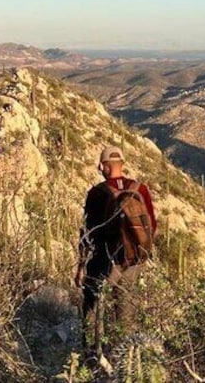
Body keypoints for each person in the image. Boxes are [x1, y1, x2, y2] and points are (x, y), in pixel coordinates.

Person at [75, 145, 157, 352]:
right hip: (134, 259)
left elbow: (88, 232)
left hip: (105, 258)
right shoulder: (141, 189)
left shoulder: (97, 193)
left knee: (93, 304)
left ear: (104, 166)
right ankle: (125, 356)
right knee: (126, 311)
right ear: (122, 164)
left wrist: (81, 266)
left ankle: (91, 354)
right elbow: (152, 225)